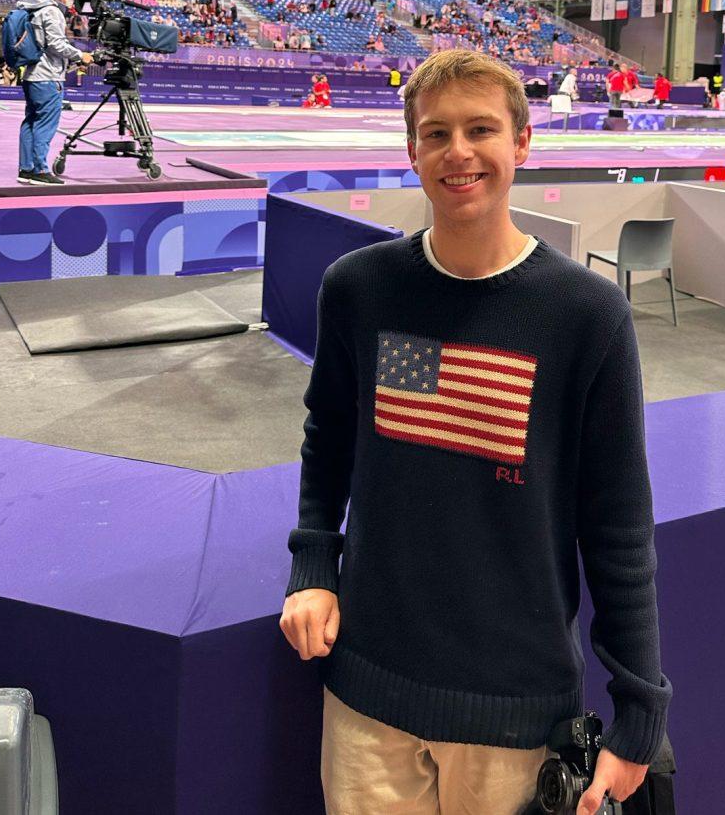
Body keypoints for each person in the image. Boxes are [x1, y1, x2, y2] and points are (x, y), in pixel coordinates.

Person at [280, 48, 671, 815]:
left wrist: (640, 706)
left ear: (522, 143)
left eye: (481, 129)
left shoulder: (586, 316)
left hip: (514, 718)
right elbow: (328, 442)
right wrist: (312, 566)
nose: (458, 152)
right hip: (367, 700)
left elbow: (618, 524)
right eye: (436, 134)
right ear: (413, 152)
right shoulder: (360, 289)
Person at [15, 0, 94, 185]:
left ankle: (26, 169)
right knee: (44, 124)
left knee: (30, 122)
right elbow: (56, 45)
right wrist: (80, 55)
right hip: (48, 76)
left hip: (32, 75)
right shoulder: (51, 11)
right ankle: (40, 170)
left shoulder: (32, 8)